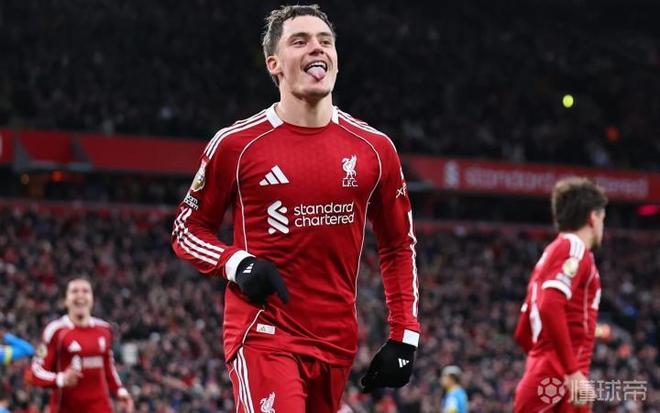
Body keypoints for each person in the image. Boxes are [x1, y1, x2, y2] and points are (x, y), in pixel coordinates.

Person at [171, 4, 420, 412]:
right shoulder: (236, 145)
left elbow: (398, 245)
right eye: (299, 41)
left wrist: (404, 335)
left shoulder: (375, 149)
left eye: (325, 41)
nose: (316, 48)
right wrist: (237, 264)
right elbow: (187, 227)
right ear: (274, 64)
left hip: (336, 341)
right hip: (263, 332)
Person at [514, 177, 607, 412]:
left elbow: (523, 332)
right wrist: (570, 371)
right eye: (603, 218)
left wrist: (541, 366)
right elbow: (550, 304)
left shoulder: (549, 257)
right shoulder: (573, 248)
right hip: (561, 374)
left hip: (556, 374)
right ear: (593, 218)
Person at [28, 278, 134, 413]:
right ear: (66, 300)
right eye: (74, 291)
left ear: (92, 299)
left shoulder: (104, 329)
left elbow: (108, 367)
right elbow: (34, 373)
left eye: (85, 291)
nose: (80, 295)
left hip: (100, 408)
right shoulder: (56, 331)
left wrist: (120, 391)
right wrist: (61, 379)